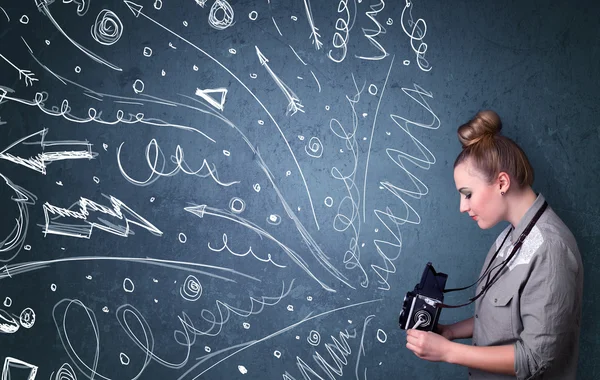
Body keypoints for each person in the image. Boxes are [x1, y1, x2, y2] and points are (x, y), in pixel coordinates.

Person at [405, 110, 583, 379]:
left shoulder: (551, 249)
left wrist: (449, 352)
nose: (462, 207)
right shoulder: (509, 236)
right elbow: (504, 323)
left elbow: (534, 358)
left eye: (467, 194)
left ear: (502, 182)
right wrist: (451, 332)